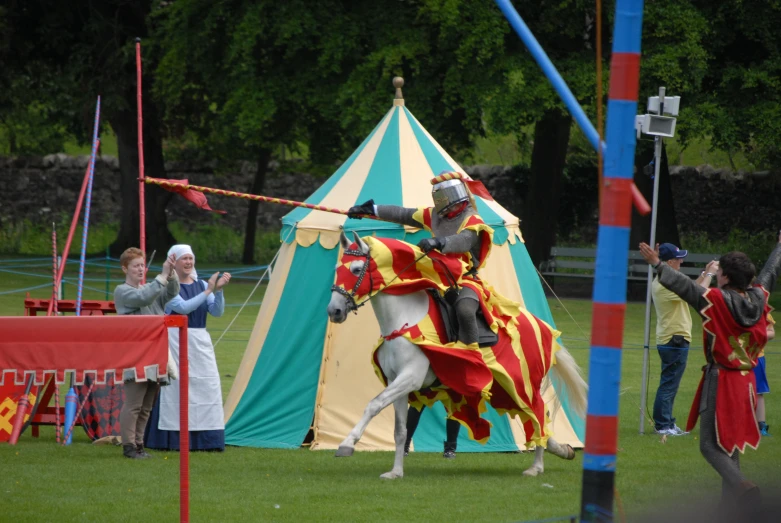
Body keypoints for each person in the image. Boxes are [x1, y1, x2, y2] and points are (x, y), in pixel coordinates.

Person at [639, 231, 781, 509]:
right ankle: (729, 508)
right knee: (731, 445)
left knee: (709, 446)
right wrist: (779, 247)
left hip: (722, 379)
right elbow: (770, 273)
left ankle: (744, 487)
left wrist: (657, 264)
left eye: (720, 274)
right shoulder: (759, 297)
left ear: (725, 276)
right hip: (748, 382)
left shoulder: (715, 300)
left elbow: (685, 287)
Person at [348, 171, 492, 347]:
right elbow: (403, 214)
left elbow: (464, 241)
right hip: (435, 274)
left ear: (454, 195)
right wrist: (371, 210)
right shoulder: (435, 216)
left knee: (465, 310)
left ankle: (472, 353)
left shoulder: (473, 219)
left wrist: (439, 241)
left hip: (464, 279)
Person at [144, 244, 230, 451]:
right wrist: (209, 290)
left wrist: (217, 292)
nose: (189, 262)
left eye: (191, 258)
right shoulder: (169, 286)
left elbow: (216, 312)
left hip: (199, 340)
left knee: (205, 386)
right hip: (175, 339)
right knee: (176, 387)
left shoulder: (200, 284)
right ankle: (170, 438)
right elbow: (182, 308)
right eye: (185, 259)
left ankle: (206, 439)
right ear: (175, 261)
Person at [114, 248, 180, 459]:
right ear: (125, 268)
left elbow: (171, 293)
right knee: (134, 404)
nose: (141, 269)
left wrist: (171, 275)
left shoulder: (150, 289)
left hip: (155, 353)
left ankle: (139, 444)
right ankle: (128, 446)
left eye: (142, 265)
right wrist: (161, 277)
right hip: (135, 355)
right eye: (136, 266)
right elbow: (143, 297)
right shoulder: (122, 291)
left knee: (146, 405)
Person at [651, 243, 719, 436]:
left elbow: (692, 287)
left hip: (673, 337)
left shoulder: (667, 280)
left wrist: (705, 272)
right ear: (670, 262)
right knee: (669, 383)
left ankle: (667, 423)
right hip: (674, 338)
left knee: (670, 382)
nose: (681, 261)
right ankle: (663, 425)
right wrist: (710, 274)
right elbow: (697, 293)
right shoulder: (665, 283)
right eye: (678, 258)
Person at [754, 313, 774, 436]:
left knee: (758, 391)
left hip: (757, 357)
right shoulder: (733, 307)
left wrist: (758, 335)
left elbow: (771, 332)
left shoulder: (762, 311)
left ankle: (761, 425)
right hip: (736, 358)